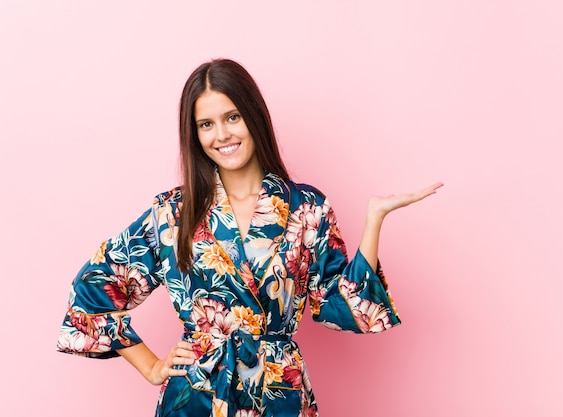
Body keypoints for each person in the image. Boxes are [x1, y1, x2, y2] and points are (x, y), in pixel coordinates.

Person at [57, 58, 443, 417]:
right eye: (206, 124)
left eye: (232, 117)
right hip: (197, 393)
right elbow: (92, 290)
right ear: (194, 134)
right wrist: (150, 365)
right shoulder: (173, 213)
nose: (221, 134)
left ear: (253, 117)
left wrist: (374, 219)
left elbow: (342, 307)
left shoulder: (307, 207)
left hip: (279, 391)